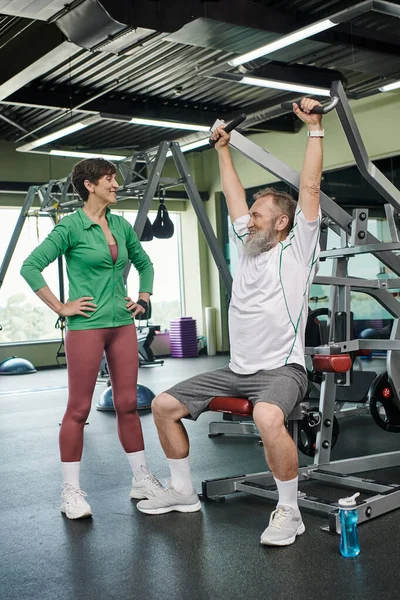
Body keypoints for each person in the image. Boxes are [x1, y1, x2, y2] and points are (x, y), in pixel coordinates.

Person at [136, 98, 324, 546]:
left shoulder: (297, 249)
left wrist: (315, 129)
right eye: (250, 215)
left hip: (283, 370)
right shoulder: (249, 244)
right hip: (238, 370)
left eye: (259, 214)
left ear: (282, 222)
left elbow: (311, 189)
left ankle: (289, 511)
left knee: (266, 414)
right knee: (163, 406)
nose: (248, 218)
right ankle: (182, 493)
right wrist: (222, 149)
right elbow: (236, 197)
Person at [21, 158, 162, 519]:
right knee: (80, 409)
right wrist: (61, 307)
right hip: (86, 327)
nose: (116, 185)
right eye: (110, 179)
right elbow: (30, 266)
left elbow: (145, 264)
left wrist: (143, 298)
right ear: (89, 185)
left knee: (128, 404)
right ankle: (70, 491)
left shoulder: (120, 225)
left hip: (122, 325)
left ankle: (142, 479)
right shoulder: (70, 227)